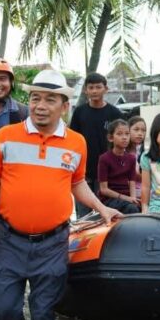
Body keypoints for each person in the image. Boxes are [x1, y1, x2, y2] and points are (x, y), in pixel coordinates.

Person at [0, 69, 121, 320]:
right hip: (9, 239)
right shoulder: (6, 136)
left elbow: (77, 183)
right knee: (4, 313)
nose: (40, 106)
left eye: (49, 100)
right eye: (35, 98)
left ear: (64, 106)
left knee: (44, 318)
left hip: (53, 243)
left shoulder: (77, 143)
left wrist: (101, 208)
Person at [69, 72, 124, 217]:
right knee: (83, 215)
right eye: (91, 87)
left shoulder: (115, 113)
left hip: (107, 173)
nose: (94, 91)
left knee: (104, 213)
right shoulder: (80, 112)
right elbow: (72, 139)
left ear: (106, 89)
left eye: (98, 87)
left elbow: (123, 141)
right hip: (83, 172)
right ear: (85, 90)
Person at [97, 119, 141, 214]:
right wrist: (127, 198)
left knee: (141, 206)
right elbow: (103, 189)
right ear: (110, 138)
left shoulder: (131, 158)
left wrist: (133, 198)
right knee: (131, 209)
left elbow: (132, 181)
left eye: (127, 134)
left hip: (127, 198)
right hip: (109, 199)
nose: (124, 137)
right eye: (120, 134)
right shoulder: (104, 159)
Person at [127, 116, 147, 197]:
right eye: (136, 129)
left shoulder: (144, 152)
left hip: (143, 190)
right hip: (126, 192)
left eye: (143, 130)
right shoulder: (121, 152)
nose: (140, 133)